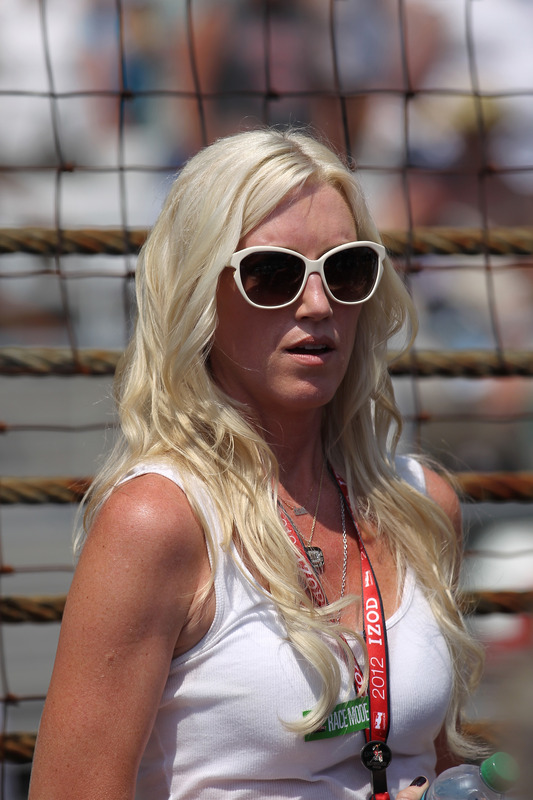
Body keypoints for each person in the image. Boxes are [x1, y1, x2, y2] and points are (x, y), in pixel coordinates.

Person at [29, 127, 485, 800]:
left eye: (346, 269)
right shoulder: (159, 521)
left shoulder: (418, 503)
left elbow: (430, 762)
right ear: (198, 293)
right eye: (271, 274)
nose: (318, 304)